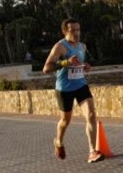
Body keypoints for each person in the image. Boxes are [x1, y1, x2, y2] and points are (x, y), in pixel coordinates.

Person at [42, 18, 104, 163]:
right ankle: (58, 141)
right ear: (65, 31)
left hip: (81, 84)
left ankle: (92, 151)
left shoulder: (82, 46)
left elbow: (78, 64)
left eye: (78, 30)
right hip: (64, 88)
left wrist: (85, 67)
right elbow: (46, 68)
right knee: (65, 120)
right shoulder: (60, 47)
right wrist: (65, 62)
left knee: (91, 114)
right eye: (73, 30)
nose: (77, 33)